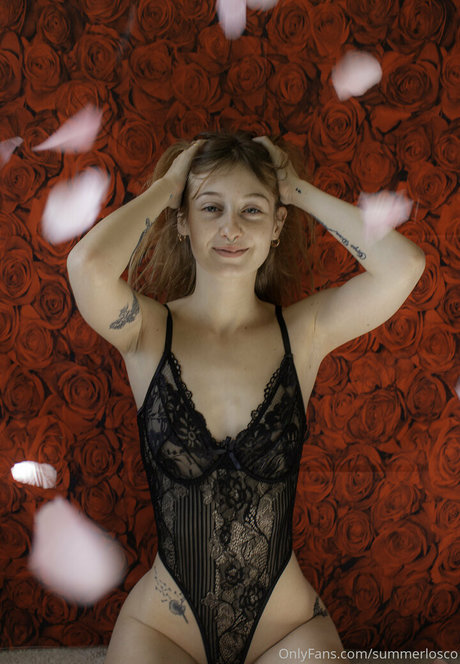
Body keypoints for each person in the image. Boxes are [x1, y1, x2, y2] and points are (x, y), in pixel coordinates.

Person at [67, 132, 425, 664]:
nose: (231, 228)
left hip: (285, 629)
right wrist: (169, 186)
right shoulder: (147, 332)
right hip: (165, 628)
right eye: (210, 208)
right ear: (183, 221)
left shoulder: (303, 333)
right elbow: (86, 266)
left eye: (252, 210)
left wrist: (296, 190)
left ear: (277, 226)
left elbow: (404, 266)